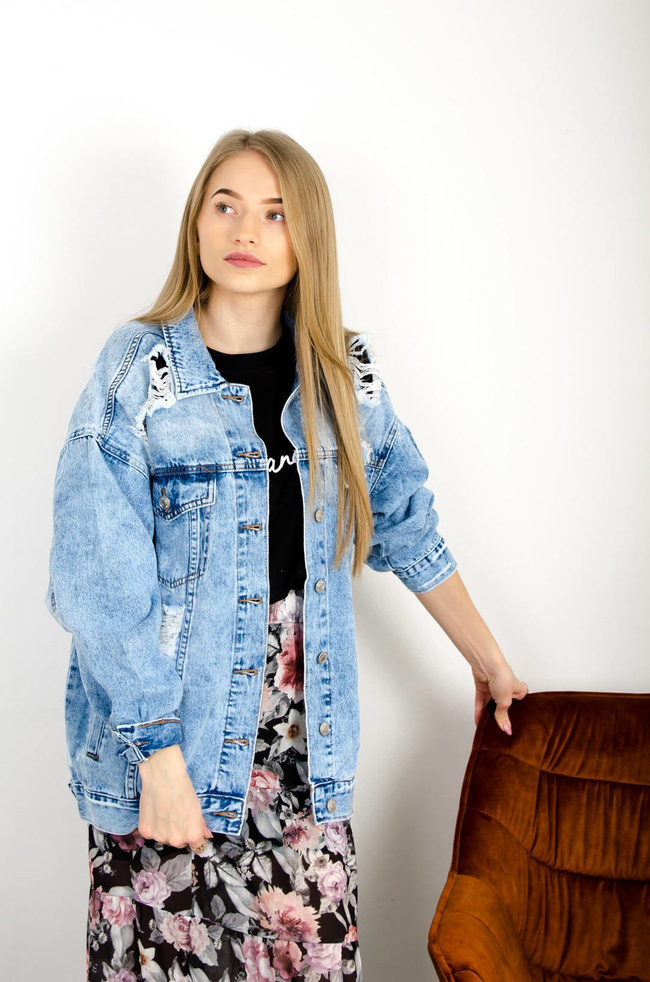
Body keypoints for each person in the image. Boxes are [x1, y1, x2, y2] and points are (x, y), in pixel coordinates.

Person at [45, 129, 528, 982]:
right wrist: (158, 754)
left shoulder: (344, 373)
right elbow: (98, 581)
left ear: (308, 235)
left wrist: (488, 662)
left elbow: (406, 522)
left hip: (305, 752)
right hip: (174, 742)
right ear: (196, 222)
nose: (246, 230)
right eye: (225, 205)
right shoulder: (140, 370)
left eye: (275, 213)